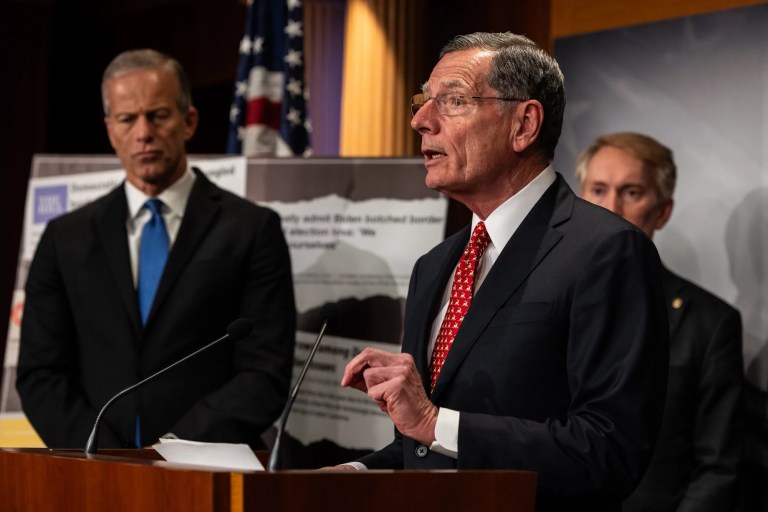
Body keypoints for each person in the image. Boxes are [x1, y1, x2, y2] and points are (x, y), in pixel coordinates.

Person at [336, 33, 669, 511]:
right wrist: (353, 475)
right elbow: (431, 446)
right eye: (424, 100)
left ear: (524, 124)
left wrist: (433, 420)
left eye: (452, 100)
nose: (419, 120)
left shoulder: (606, 251)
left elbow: (608, 452)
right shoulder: (434, 267)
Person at [16, 49, 296, 449]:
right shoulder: (65, 238)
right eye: (127, 119)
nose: (143, 132)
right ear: (110, 129)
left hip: (204, 469)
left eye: (158, 115)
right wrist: (100, 455)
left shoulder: (251, 230)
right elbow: (39, 373)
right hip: (91, 473)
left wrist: (170, 451)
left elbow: (264, 372)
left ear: (189, 121)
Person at [576, 132, 743, 512]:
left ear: (663, 211)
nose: (611, 207)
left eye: (631, 192)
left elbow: (717, 467)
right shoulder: (543, 303)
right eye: (598, 190)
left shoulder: (710, 324)